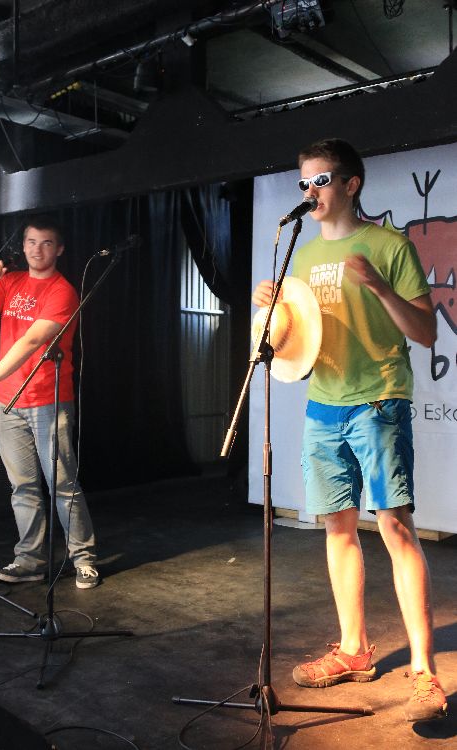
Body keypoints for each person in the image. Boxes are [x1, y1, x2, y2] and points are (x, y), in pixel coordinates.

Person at [252, 139, 447, 722]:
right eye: (303, 183)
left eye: (320, 180)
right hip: (323, 405)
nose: (310, 192)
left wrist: (381, 287)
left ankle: (424, 673)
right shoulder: (303, 256)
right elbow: (298, 339)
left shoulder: (389, 245)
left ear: (351, 184)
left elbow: (427, 333)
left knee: (395, 526)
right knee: (337, 528)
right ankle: (354, 650)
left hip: (379, 401)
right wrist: (272, 308)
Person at [0, 215, 99, 590]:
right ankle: (30, 560)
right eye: (31, 242)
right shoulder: (11, 282)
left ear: (59, 249)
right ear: (23, 246)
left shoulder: (62, 291)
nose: (37, 250)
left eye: (46, 243)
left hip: (47, 400)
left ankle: (84, 558)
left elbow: (32, 341)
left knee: (62, 485)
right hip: (8, 403)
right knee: (22, 487)